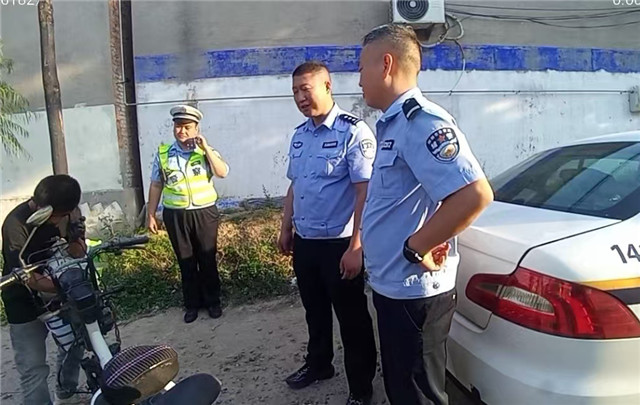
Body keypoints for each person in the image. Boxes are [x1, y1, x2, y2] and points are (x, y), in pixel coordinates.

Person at [358, 24, 494, 405]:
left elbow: (474, 194)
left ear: (386, 65)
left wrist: (415, 247)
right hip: (394, 287)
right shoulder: (394, 125)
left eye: (362, 68)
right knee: (402, 386)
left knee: (418, 393)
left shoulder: (421, 122)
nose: (359, 79)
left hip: (414, 293)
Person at [277, 61, 378, 405]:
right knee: (314, 310)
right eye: (295, 91)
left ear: (327, 86)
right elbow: (295, 185)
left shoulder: (353, 132)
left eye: (306, 89)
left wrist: (357, 246)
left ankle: (361, 388)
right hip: (306, 242)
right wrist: (286, 226)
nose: (300, 98)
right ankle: (319, 364)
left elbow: (365, 192)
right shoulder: (300, 135)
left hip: (340, 244)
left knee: (352, 319)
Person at [1, 175, 87, 405]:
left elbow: (79, 252)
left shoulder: (69, 213)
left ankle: (66, 393)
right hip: (22, 299)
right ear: (44, 209)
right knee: (33, 367)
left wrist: (75, 237)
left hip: (60, 292)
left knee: (75, 345)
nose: (61, 219)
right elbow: (27, 277)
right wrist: (60, 286)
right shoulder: (15, 224)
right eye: (59, 215)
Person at [147, 105, 229, 323]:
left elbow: (222, 172)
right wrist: (151, 214)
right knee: (185, 260)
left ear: (196, 129)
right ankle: (192, 304)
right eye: (178, 126)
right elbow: (156, 184)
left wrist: (206, 148)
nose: (181, 131)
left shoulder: (205, 152)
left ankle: (213, 301)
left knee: (207, 257)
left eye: (187, 127)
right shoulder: (164, 154)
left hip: (204, 213)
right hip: (176, 215)